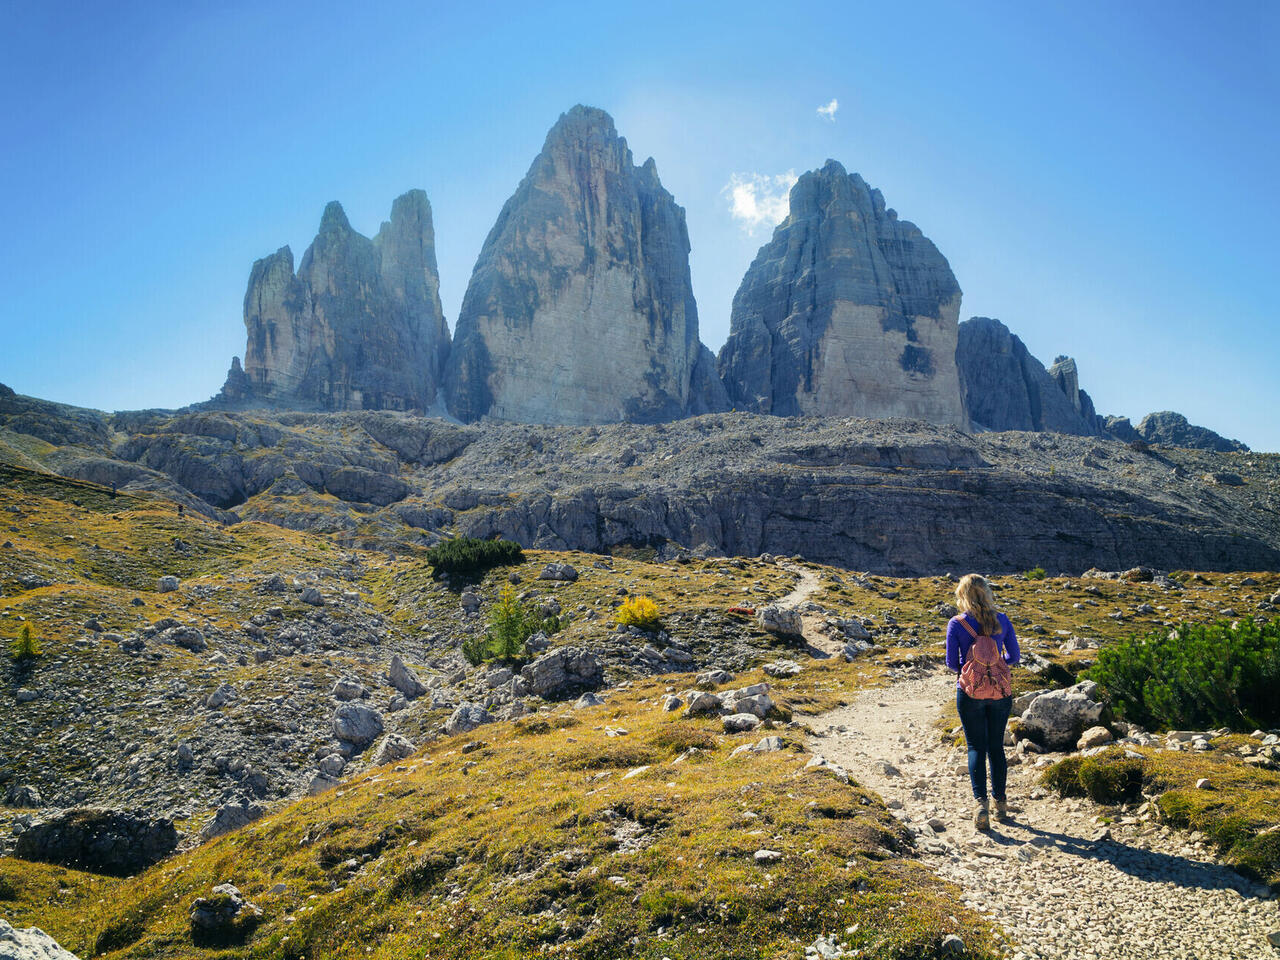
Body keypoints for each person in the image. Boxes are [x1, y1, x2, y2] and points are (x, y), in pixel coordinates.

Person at [946, 573, 1020, 830]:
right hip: (1000, 692)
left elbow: (951, 663)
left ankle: (981, 806)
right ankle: (1001, 805)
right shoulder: (1002, 620)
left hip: (969, 692)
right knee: (996, 747)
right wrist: (995, 666)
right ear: (987, 593)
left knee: (975, 746)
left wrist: (971, 669)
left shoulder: (957, 623)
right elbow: (1014, 656)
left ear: (962, 595)